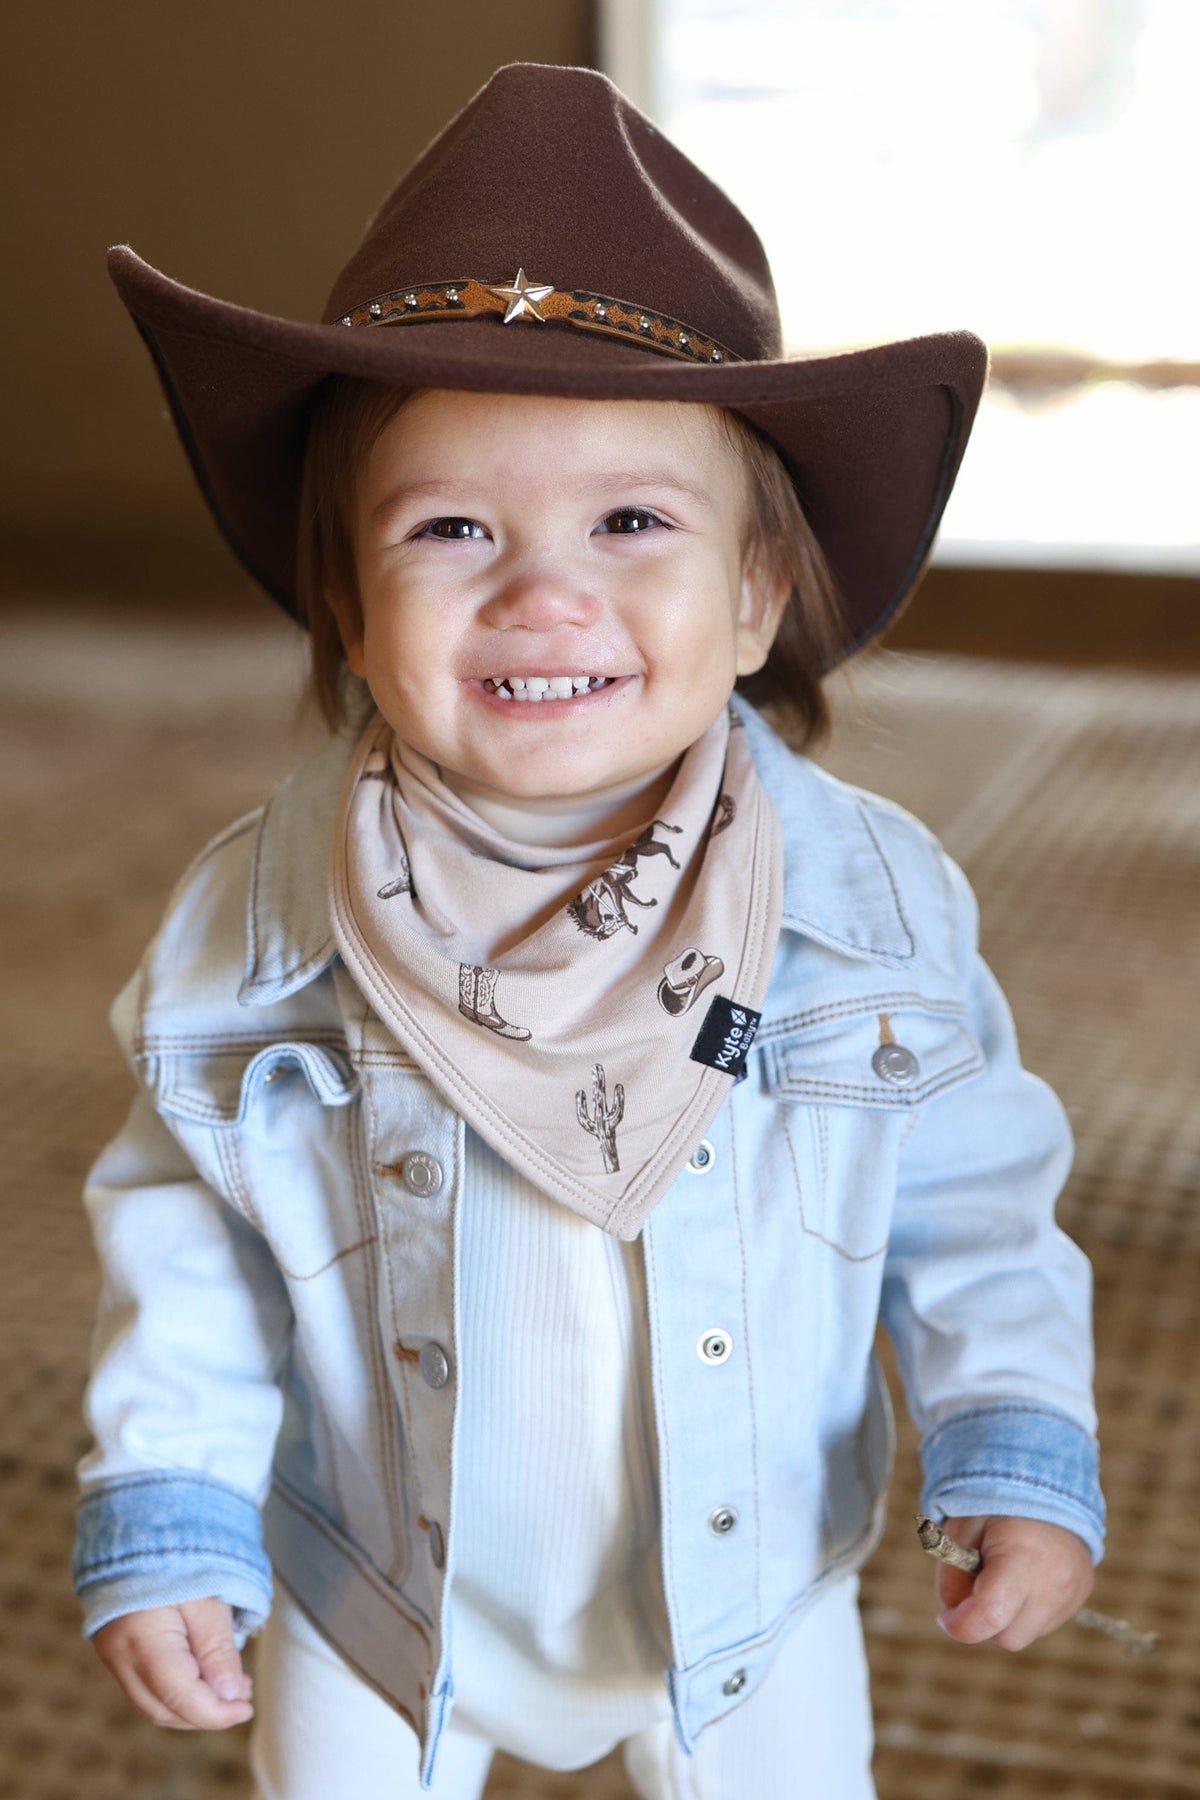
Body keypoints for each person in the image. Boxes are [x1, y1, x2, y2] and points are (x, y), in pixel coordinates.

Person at [73, 62, 1103, 1800]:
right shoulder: (265, 926)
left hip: (750, 1590)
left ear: (761, 593)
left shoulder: (863, 911)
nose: (545, 592)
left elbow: (977, 1198)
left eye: (633, 523)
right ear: (346, 595)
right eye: (452, 527)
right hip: (381, 1589)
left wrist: (1012, 1438)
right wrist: (169, 1503)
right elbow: (194, 1232)